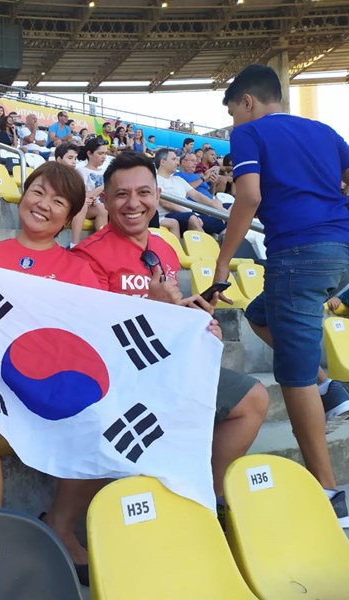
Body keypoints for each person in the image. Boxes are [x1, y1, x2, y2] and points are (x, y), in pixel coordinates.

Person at [73, 150, 268, 523]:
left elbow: (170, 312)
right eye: (122, 195)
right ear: (107, 200)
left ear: (157, 195)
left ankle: (206, 499)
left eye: (144, 193)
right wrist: (152, 305)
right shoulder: (87, 256)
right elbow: (93, 336)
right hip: (121, 380)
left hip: (168, 367)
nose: (134, 204)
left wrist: (192, 321)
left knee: (252, 398)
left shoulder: (164, 247)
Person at [0, 161, 104, 586]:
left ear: (71, 214)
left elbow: (104, 333)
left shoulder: (81, 271)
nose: (44, 205)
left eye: (59, 201)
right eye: (39, 192)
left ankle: (61, 522)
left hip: (52, 393)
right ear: (24, 193)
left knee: (106, 416)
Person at [214, 64, 349, 523]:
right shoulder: (324, 131)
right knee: (259, 313)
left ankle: (330, 493)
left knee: (290, 381)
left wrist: (221, 261)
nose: (234, 122)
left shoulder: (249, 135)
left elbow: (247, 197)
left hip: (297, 254)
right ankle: (330, 387)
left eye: (233, 112)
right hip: (340, 252)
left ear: (247, 103)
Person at [70, 137, 110, 245]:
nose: (104, 157)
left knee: (103, 208)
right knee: (93, 206)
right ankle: (74, 243)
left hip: (102, 206)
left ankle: (103, 244)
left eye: (105, 153)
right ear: (89, 153)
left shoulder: (106, 172)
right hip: (86, 206)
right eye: (100, 153)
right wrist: (103, 187)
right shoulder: (81, 171)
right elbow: (81, 195)